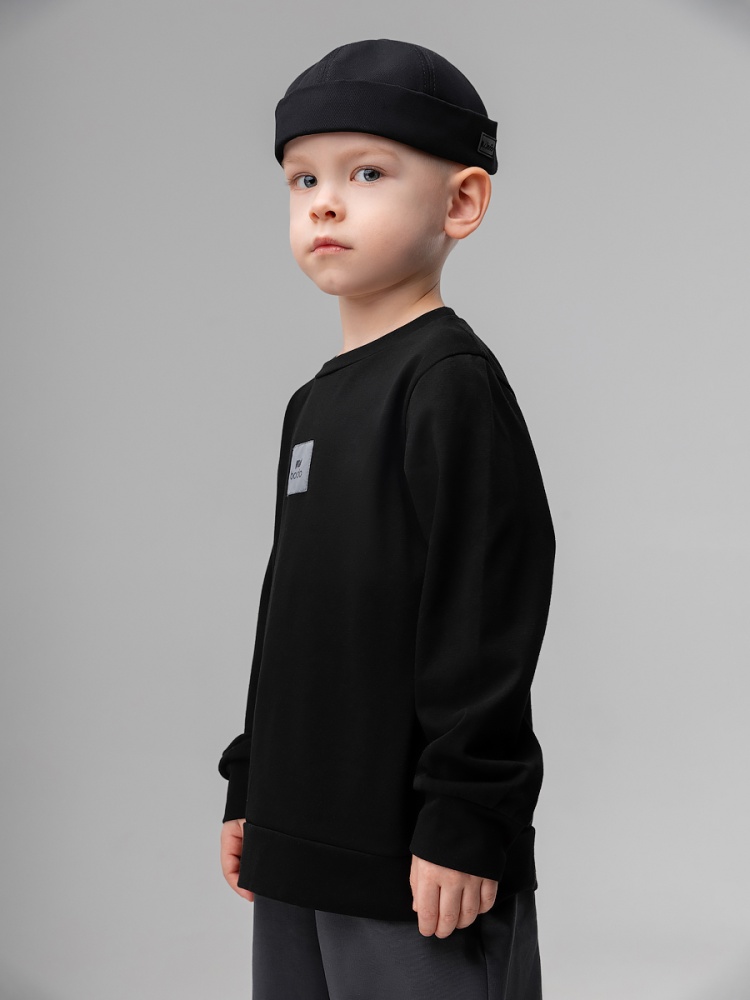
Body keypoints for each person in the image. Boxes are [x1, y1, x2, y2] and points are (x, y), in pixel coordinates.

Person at [218, 37, 556, 999]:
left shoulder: (450, 384)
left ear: (462, 202)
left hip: (413, 863)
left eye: (367, 172)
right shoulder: (312, 402)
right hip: (299, 840)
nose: (324, 202)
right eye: (303, 179)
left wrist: (467, 816)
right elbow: (291, 608)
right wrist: (252, 781)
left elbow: (486, 612)